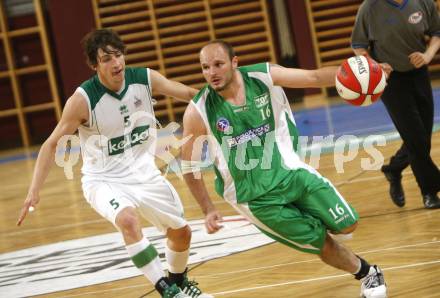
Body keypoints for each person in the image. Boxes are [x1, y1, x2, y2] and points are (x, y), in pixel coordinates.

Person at [181, 40, 387, 298]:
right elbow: (188, 166)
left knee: (348, 224)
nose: (211, 72)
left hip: (290, 171)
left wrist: (360, 72)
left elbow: (312, 77)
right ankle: (368, 273)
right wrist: (208, 209)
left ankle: (317, 226)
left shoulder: (263, 76)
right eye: (205, 67)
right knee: (320, 243)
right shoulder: (198, 111)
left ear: (235, 62)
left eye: (218, 64)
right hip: (254, 197)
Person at [16, 29, 212, 298]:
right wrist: (33, 190)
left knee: (182, 234)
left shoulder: (143, 78)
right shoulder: (83, 100)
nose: (116, 63)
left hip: (144, 174)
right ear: (94, 65)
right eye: (107, 59)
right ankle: (167, 290)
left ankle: (178, 280)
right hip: (104, 180)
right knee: (128, 220)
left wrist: (224, 97)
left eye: (118, 55)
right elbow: (51, 144)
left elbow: (188, 92)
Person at [351, 0, 440, 209]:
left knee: (422, 137)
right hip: (390, 81)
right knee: (416, 137)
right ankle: (429, 191)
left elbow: (437, 33)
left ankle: (393, 168)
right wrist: (375, 66)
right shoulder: (369, 8)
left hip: (419, 75)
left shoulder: (423, 2)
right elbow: (358, 46)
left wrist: (427, 55)